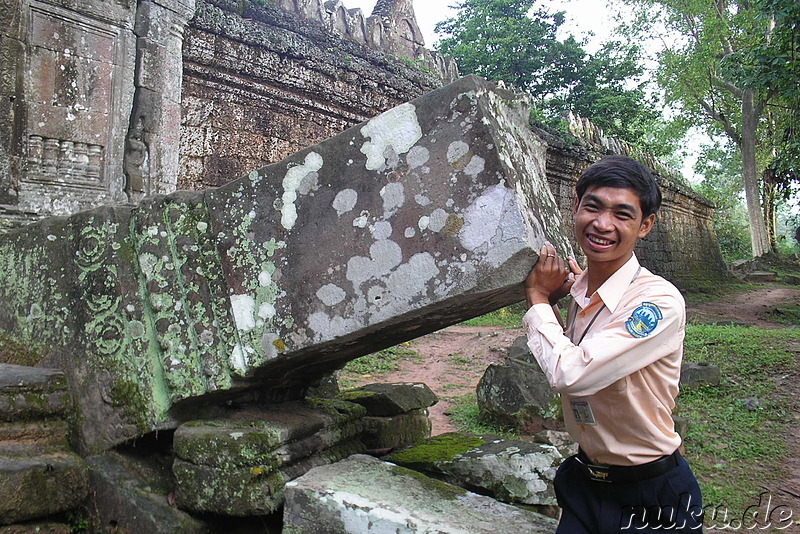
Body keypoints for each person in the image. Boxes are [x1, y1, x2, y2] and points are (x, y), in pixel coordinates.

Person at [523, 155, 703, 533]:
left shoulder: (656, 303)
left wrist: (539, 299)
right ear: (575, 207)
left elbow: (571, 374)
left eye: (623, 214)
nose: (603, 224)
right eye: (593, 206)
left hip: (651, 496)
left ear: (646, 225)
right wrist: (562, 297)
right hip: (585, 483)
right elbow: (576, 351)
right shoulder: (581, 290)